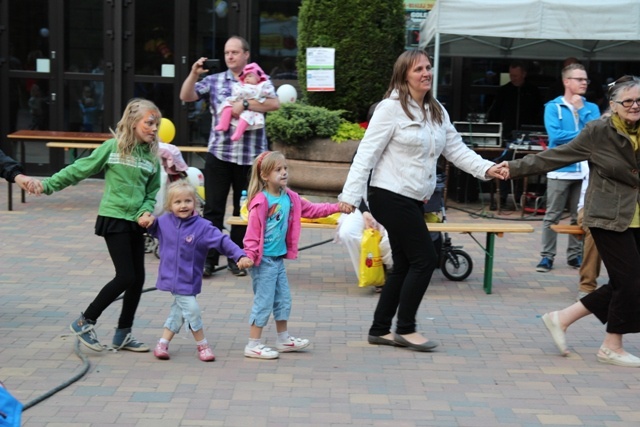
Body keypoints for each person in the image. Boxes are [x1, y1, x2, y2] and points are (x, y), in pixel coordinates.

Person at [338, 50, 504, 352]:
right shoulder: (389, 110)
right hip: (388, 194)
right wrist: (350, 197)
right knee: (425, 259)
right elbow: (366, 154)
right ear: (404, 75)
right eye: (418, 69)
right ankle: (405, 328)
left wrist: (487, 168)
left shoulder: (436, 109)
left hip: (414, 197)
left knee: (403, 263)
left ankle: (379, 329)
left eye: (428, 67)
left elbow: (456, 149)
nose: (426, 73)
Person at [497, 75, 640, 367]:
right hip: (607, 216)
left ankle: (561, 318)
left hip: (636, 216)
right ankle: (611, 345)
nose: (635, 106)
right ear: (613, 105)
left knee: (628, 281)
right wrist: (512, 168)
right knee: (630, 282)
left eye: (639, 101)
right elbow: (555, 157)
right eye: (628, 101)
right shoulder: (598, 131)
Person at [29, 98, 163, 353]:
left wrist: (146, 210)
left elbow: (151, 192)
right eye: (149, 123)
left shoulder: (152, 159)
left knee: (138, 279)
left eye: (156, 123)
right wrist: (47, 185)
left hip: (136, 223)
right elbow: (80, 169)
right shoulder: (113, 148)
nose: (154, 128)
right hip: (114, 218)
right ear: (133, 121)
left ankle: (123, 334)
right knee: (126, 276)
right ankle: (84, 321)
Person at [179, 36, 280, 278]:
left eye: (235, 52)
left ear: (246, 55)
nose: (230, 56)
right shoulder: (214, 81)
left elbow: (275, 104)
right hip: (220, 155)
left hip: (251, 158)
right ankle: (208, 260)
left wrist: (245, 104)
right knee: (213, 209)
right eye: (227, 53)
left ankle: (237, 257)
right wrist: (194, 74)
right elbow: (186, 96)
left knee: (244, 211)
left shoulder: (259, 79)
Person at [242, 151, 349, 359]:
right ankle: (253, 344)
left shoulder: (290, 197)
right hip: (262, 261)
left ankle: (283, 339)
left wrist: (338, 207)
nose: (283, 173)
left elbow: (313, 210)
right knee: (264, 301)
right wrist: (248, 255)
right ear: (265, 175)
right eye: (278, 169)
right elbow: (252, 234)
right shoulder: (260, 201)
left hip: (277, 259)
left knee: (283, 299)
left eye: (285, 169)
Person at [147, 180, 253, 362]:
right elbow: (151, 227)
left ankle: (162, 343)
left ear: (194, 203)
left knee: (179, 311)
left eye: (187, 201)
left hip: (189, 279)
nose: (183, 206)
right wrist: (146, 221)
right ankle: (202, 345)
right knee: (192, 310)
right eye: (177, 202)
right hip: (171, 278)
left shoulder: (202, 227)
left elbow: (222, 241)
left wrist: (239, 255)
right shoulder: (164, 222)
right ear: (169, 205)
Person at [535, 63, 600, 273]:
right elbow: (556, 137)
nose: (584, 83)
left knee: (578, 215)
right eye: (579, 79)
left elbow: (599, 134)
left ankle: (574, 255)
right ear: (566, 81)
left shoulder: (591, 107)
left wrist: (582, 110)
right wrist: (585, 135)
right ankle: (547, 256)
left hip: (586, 171)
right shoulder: (553, 107)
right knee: (552, 215)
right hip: (560, 169)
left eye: (585, 80)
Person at [487, 60, 543, 141]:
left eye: (515, 76)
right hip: (507, 133)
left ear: (524, 74)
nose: (513, 79)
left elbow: (538, 111)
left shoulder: (533, 91)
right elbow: (495, 111)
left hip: (528, 133)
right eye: (511, 75)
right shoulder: (504, 90)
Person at [214, 62, 270, 141]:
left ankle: (238, 133)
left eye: (250, 76)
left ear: (258, 78)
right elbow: (236, 92)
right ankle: (223, 124)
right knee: (227, 106)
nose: (247, 78)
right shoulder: (241, 85)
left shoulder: (260, 86)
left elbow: (271, 98)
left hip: (250, 109)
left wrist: (245, 103)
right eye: (246, 76)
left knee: (246, 116)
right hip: (237, 101)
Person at [576, 162, 602, 301]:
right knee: (596, 228)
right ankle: (587, 286)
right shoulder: (595, 147)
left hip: (627, 206)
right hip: (589, 206)